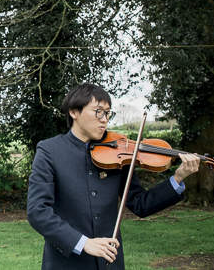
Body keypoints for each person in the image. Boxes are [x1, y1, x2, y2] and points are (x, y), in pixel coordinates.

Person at [27, 83, 200, 270]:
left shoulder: (118, 151)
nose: (104, 119)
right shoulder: (49, 150)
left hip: (110, 263)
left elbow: (140, 203)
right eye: (98, 112)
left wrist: (178, 178)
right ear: (73, 112)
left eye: (108, 113)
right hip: (65, 263)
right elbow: (37, 211)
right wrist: (83, 242)